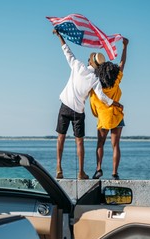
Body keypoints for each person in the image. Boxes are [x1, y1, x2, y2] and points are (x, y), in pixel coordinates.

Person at [53, 29, 123, 180]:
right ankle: (81, 172)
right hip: (78, 111)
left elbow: (67, 52)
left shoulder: (77, 66)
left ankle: (59, 167)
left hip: (65, 106)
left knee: (61, 138)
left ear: (90, 62)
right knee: (79, 142)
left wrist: (60, 37)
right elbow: (102, 97)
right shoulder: (95, 80)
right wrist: (115, 103)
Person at [90, 37, 129, 180]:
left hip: (103, 117)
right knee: (115, 145)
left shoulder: (96, 83)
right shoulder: (116, 79)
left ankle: (99, 169)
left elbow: (94, 99)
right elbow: (122, 63)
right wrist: (125, 47)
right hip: (117, 115)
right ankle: (114, 173)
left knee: (100, 144)